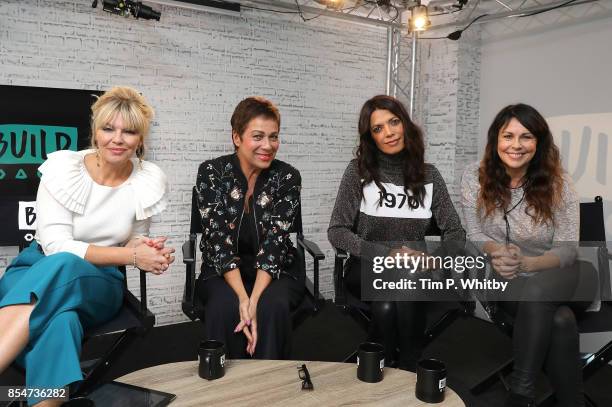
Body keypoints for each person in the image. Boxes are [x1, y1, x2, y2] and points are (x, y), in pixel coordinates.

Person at [0, 86, 173, 407]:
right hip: (35, 269)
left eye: (129, 131)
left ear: (141, 139)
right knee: (63, 322)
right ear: (95, 130)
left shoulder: (148, 180)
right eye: (109, 128)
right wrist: (133, 256)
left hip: (100, 280)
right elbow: (54, 245)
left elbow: (132, 239)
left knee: (67, 264)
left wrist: (147, 249)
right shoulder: (62, 169)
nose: (117, 139)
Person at [461, 103, 595, 407]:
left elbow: (568, 248)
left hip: (565, 274)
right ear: (495, 140)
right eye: (508, 136)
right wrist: (498, 252)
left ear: (539, 142)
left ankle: (520, 394)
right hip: (508, 278)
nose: (516, 145)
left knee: (539, 289)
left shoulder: (559, 182)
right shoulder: (475, 178)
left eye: (527, 137)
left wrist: (529, 262)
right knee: (560, 321)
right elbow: (475, 235)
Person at [328, 95, 465, 370]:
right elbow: (337, 231)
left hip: (417, 270)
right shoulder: (359, 173)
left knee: (390, 302)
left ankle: (381, 365)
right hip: (368, 265)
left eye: (394, 122)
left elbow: (456, 232)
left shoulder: (430, 176)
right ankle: (410, 367)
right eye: (378, 128)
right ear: (370, 137)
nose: (389, 132)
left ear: (405, 125)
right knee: (399, 283)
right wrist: (387, 254)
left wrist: (434, 259)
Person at [195, 96, 304, 359]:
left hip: (275, 270)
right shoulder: (211, 172)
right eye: (258, 136)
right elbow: (218, 243)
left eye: (274, 137)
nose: (268, 146)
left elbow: (275, 245)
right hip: (222, 270)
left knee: (270, 307)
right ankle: (225, 389)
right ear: (237, 137)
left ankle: (268, 386)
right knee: (224, 308)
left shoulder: (288, 177)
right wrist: (243, 299)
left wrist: (253, 301)